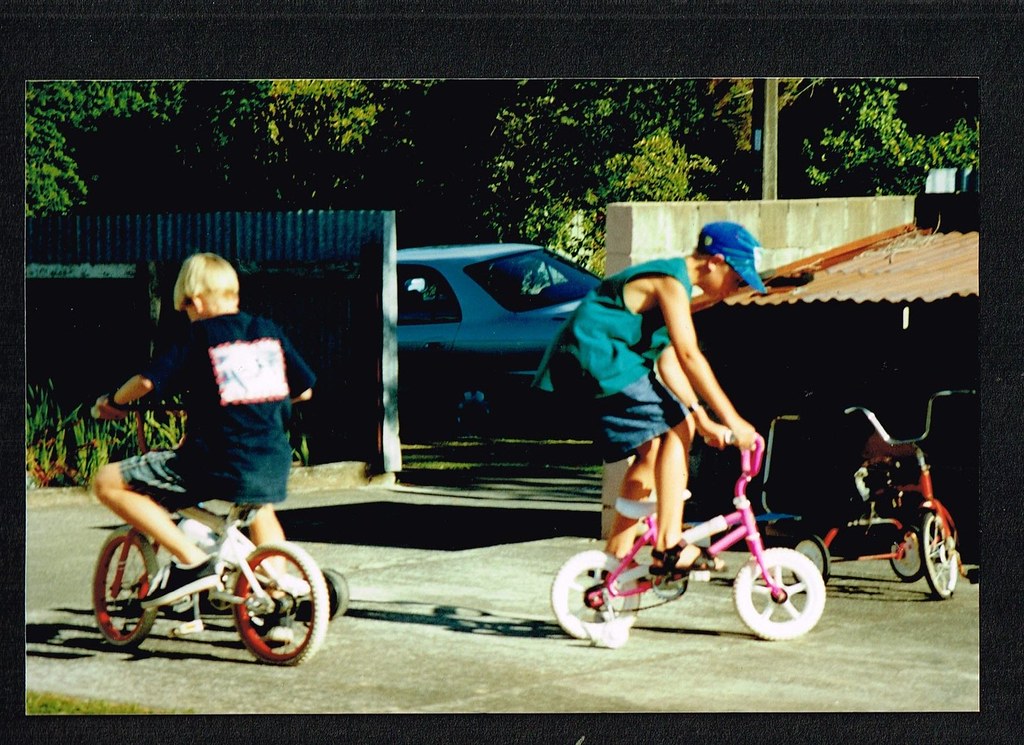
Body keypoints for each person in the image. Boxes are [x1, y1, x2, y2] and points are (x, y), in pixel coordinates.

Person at [533, 221, 765, 578]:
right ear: (716, 262)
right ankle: (669, 545)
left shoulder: (675, 293)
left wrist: (703, 419)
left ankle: (615, 556)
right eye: (738, 278)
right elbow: (690, 355)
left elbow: (669, 359)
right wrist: (734, 420)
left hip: (598, 359)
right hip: (595, 354)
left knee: (654, 450)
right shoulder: (670, 281)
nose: (737, 288)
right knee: (676, 428)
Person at [91, 253, 316, 610]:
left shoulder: (201, 335)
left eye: (186, 309)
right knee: (260, 509)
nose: (188, 316)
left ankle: (191, 561)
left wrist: (114, 403)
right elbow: (303, 390)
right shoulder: (268, 331)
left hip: (212, 465)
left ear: (194, 301)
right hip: (272, 462)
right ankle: (277, 600)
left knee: (107, 480)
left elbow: (147, 381)